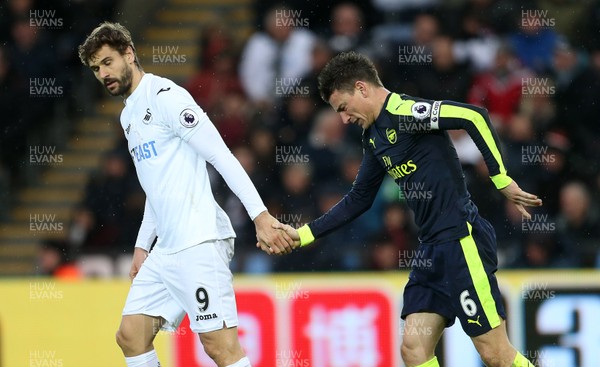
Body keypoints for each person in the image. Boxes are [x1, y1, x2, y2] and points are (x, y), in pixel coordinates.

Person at [275, 51, 542, 367]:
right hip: (430, 251)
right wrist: (302, 234)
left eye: (343, 108)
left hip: (460, 241)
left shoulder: (406, 112)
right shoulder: (373, 136)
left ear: (361, 88)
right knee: (414, 349)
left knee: (495, 354)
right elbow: (359, 198)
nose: (344, 119)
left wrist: (501, 178)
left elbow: (474, 116)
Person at [78, 22, 293, 367]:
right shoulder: (128, 115)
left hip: (199, 240)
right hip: (166, 248)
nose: (103, 74)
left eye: (107, 62)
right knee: (130, 336)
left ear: (129, 55)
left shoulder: (167, 97)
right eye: (95, 69)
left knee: (219, 347)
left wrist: (260, 215)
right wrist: (141, 245)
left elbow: (221, 155)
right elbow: (155, 185)